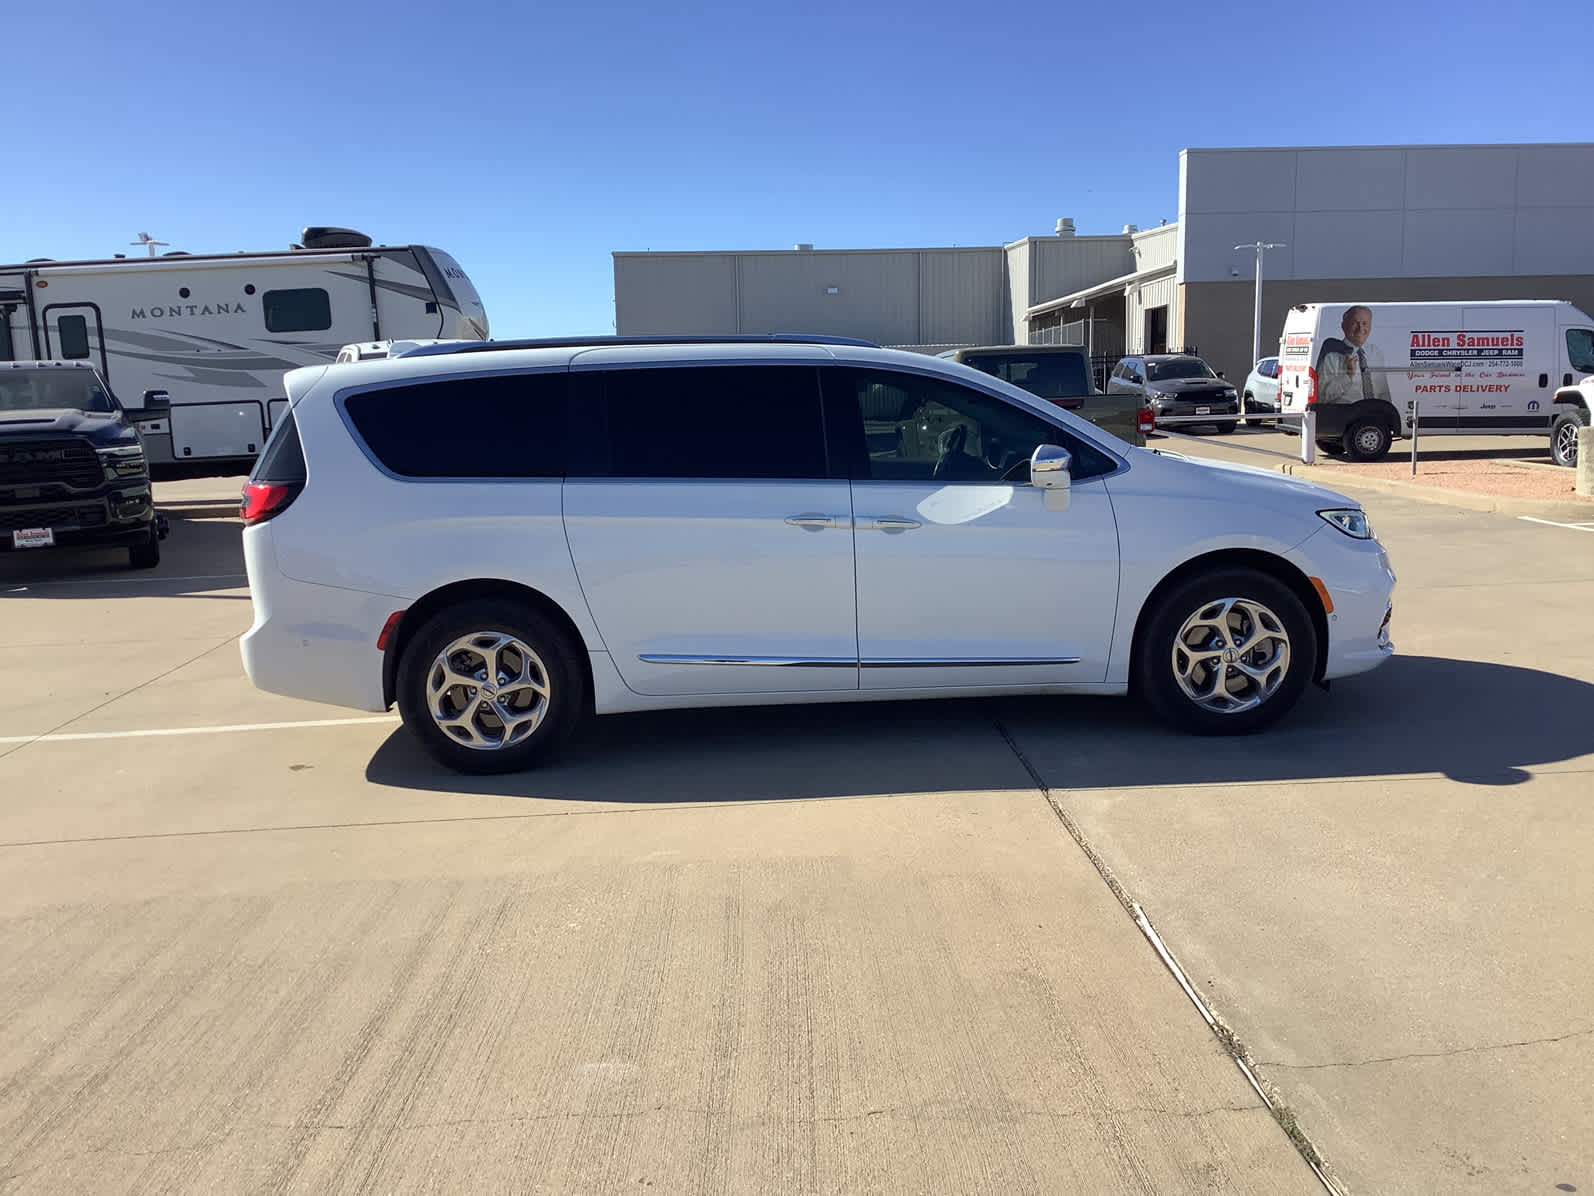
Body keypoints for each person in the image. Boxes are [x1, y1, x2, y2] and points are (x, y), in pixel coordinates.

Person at [1315, 305, 1391, 405]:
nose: (1360, 328)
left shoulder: (1376, 352)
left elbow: (1383, 392)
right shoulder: (1332, 356)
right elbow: (1322, 397)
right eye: (1355, 323)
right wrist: (1347, 376)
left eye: (1365, 323)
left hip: (1375, 414)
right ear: (1344, 326)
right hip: (1346, 417)